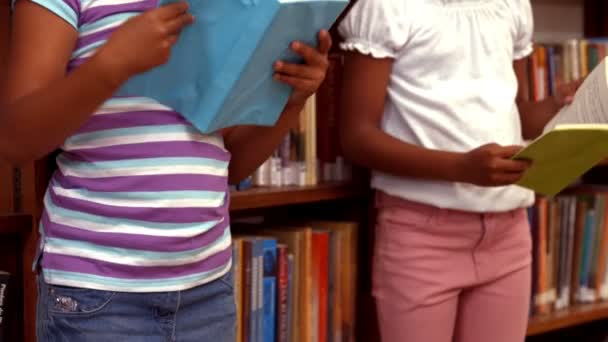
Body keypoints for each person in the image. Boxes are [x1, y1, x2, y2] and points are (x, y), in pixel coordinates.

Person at [4, 0, 330, 340]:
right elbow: (16, 140)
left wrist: (292, 100)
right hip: (97, 294)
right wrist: (112, 64)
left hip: (208, 290)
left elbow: (230, 164)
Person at [337, 1, 580, 341]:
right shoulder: (386, 7)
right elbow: (356, 137)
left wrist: (558, 105)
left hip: (508, 234)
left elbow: (519, 116)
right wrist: (462, 167)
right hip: (421, 236)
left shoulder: (511, 5)